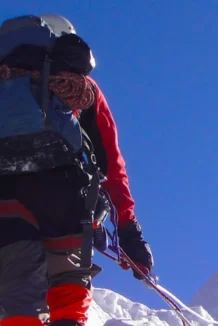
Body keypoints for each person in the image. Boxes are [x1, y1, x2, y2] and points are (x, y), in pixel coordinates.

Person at [0, 14, 153, 326]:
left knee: (17, 291)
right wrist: (128, 229)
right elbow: (111, 164)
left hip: (4, 192)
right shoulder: (79, 88)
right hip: (63, 193)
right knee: (69, 275)